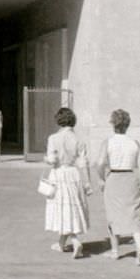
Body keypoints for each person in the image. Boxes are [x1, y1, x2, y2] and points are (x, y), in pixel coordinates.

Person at [96, 109, 140, 266]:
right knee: (135, 215)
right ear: (128, 125)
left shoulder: (107, 142)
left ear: (113, 124)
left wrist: (101, 178)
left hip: (113, 178)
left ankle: (115, 251)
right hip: (130, 179)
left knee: (113, 216)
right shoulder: (134, 143)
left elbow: (99, 163)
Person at [44, 107, 92, 259]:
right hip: (73, 174)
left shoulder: (53, 138)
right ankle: (62, 243)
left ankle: (75, 241)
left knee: (63, 209)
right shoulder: (78, 139)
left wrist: (46, 159)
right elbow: (83, 163)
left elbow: (52, 160)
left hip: (59, 174)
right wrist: (88, 183)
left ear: (59, 121)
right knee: (72, 208)